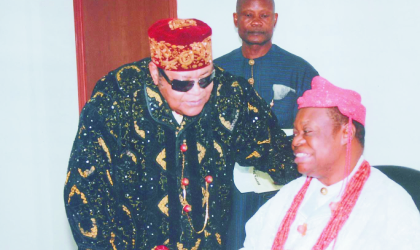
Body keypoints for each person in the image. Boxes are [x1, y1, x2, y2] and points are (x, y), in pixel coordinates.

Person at [64, 18, 298, 250]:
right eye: (183, 84)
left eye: (206, 79)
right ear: (156, 74)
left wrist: (319, 150)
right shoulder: (116, 97)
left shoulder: (231, 93)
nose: (197, 92)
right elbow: (85, 193)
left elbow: (274, 151)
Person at [241, 76, 420, 250]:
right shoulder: (289, 194)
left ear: (346, 133)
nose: (295, 142)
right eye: (296, 133)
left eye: (307, 131)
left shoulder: (389, 205)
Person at [213, 0, 318, 247]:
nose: (256, 22)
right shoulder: (216, 70)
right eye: (248, 15)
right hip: (230, 186)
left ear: (274, 19)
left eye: (264, 15)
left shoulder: (298, 69)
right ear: (235, 19)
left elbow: (317, 128)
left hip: (283, 183)